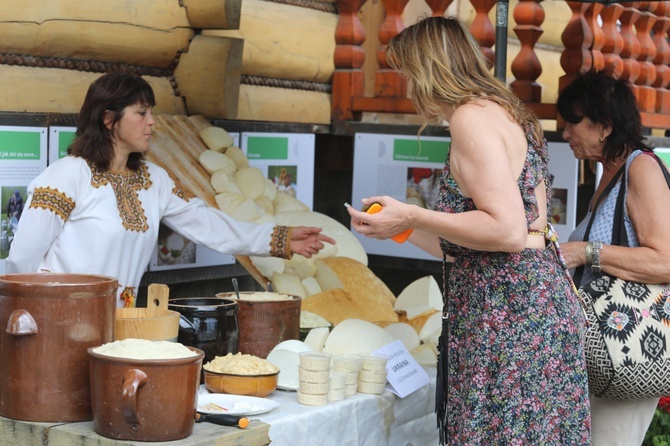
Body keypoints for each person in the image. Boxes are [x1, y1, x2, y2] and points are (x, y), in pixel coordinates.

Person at [346, 16, 590, 445]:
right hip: (529, 303)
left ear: (427, 70)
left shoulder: (470, 119)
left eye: (407, 74)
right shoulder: (509, 112)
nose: (406, 87)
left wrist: (414, 216)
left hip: (510, 314)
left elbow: (508, 230)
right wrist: (396, 228)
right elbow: (475, 242)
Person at [6, 71, 335, 308]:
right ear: (109, 120)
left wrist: (279, 238)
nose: (152, 122)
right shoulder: (66, 176)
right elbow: (22, 260)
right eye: (142, 113)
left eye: (151, 112)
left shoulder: (155, 180)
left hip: (119, 329)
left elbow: (210, 225)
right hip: (57, 323)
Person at [557, 68, 670, 446]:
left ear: (604, 126)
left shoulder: (641, 169)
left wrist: (585, 252)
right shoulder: (609, 172)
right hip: (606, 346)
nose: (565, 133)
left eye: (574, 123)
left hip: (630, 348)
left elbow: (666, 260)